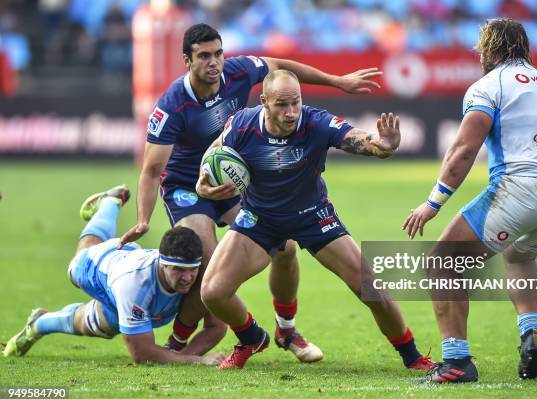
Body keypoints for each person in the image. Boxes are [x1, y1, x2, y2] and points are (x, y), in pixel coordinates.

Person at [120, 23, 384, 362]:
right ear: (187, 60)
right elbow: (153, 169)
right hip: (190, 188)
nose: (213, 62)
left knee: (285, 247)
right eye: (203, 56)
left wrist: (336, 81)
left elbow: (282, 68)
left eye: (218, 53)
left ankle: (286, 329)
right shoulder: (172, 104)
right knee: (209, 256)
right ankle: (192, 338)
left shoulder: (239, 71)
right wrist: (143, 218)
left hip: (238, 180)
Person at [196, 69, 435, 370]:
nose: (291, 111)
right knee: (213, 293)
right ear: (264, 102)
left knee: (371, 287)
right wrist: (201, 186)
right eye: (282, 104)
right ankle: (251, 337)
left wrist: (383, 146)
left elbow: (357, 139)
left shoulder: (315, 122)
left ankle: (412, 356)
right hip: (260, 218)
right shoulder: (243, 125)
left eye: (295, 102)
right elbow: (212, 155)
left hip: (313, 216)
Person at [403, 18, 537, 383]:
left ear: (490, 49)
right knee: (520, 255)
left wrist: (432, 203)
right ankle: (531, 336)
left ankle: (456, 362)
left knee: (443, 262)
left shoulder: (488, 85)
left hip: (523, 188)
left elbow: (463, 150)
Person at [3, 185, 226, 365]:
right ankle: (110, 203)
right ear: (163, 264)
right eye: (179, 270)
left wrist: (183, 355)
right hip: (104, 266)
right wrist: (195, 360)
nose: (187, 278)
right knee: (78, 263)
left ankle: (38, 323)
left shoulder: (202, 275)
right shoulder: (134, 286)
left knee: (102, 326)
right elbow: (142, 354)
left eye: (192, 270)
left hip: (130, 273)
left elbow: (217, 326)